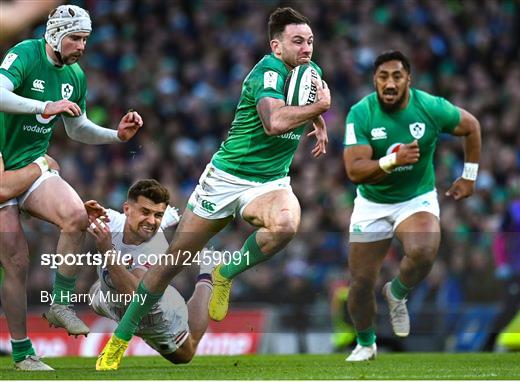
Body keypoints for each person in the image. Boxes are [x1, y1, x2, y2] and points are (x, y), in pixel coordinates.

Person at [96, 7, 331, 370]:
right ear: (276, 45)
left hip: (269, 183)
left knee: (286, 225)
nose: (307, 47)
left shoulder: (309, 71)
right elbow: (273, 122)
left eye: (310, 41)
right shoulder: (265, 73)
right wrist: (321, 107)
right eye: (297, 41)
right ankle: (119, 341)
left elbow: (304, 99)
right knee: (171, 264)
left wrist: (319, 123)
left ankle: (224, 272)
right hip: (224, 179)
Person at [0, 4, 142, 371]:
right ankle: (21, 352)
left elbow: (76, 127)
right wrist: (45, 106)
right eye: (75, 38)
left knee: (76, 216)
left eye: (85, 39)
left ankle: (60, 303)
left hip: (33, 165)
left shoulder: (75, 75)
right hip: (4, 161)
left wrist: (116, 135)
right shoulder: (24, 54)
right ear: (55, 34)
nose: (81, 45)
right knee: (15, 262)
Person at [342, 50, 481, 362]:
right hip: (372, 203)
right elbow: (354, 170)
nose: (389, 83)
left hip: (414, 199)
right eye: (382, 77)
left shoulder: (429, 107)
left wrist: (469, 177)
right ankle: (365, 343)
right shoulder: (361, 113)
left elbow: (471, 126)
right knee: (361, 284)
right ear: (374, 80)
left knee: (424, 248)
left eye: (396, 76)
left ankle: (397, 293)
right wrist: (394, 159)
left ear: (408, 80)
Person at [86, 179, 217, 364]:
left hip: (150, 315)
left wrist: (107, 251)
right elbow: (71, 216)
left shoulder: (157, 247)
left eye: (158, 215)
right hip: (112, 301)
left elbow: (134, 296)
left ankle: (207, 273)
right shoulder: (112, 221)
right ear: (126, 209)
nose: (151, 221)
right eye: (145, 212)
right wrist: (82, 211)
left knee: (185, 355)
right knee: (93, 293)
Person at [483, 172, 520, 351]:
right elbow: (500, 238)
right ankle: (486, 347)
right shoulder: (513, 210)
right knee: (508, 311)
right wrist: (502, 263)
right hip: (519, 270)